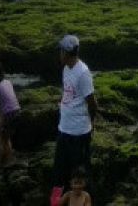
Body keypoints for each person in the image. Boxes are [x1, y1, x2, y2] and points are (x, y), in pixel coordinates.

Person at [51, 35, 98, 206]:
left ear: (68, 52)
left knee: (80, 174)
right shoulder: (66, 69)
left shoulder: (83, 73)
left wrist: (91, 125)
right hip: (64, 129)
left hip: (79, 133)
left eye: (61, 51)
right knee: (58, 172)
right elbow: (68, 93)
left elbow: (92, 103)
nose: (59, 54)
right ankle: (55, 203)